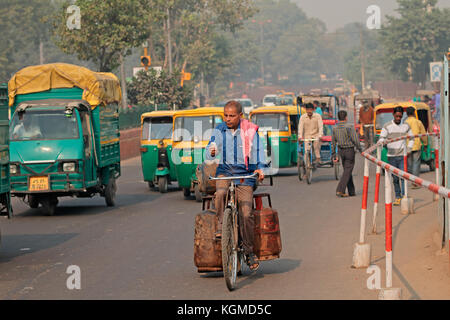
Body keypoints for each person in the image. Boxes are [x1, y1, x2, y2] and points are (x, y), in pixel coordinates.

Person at [206, 100, 266, 271]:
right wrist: (211, 150)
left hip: (244, 176)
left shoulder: (250, 130)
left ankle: (248, 251)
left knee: (246, 214)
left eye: (232, 116)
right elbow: (210, 147)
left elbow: (259, 151)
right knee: (220, 194)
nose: (228, 119)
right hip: (225, 172)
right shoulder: (219, 129)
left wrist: (260, 169)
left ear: (240, 116)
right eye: (225, 115)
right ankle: (220, 225)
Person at [378, 106, 414, 206]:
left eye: (400, 116)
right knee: (395, 179)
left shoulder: (406, 126)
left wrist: (409, 149)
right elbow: (381, 139)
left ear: (402, 116)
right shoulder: (387, 126)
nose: (398, 118)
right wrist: (382, 142)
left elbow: (412, 138)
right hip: (391, 156)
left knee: (403, 177)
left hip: (402, 156)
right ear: (393, 115)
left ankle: (403, 196)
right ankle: (397, 197)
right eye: (397, 116)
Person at [332, 110, 362, 197]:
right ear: (346, 117)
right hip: (349, 150)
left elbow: (333, 142)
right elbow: (355, 139)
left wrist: (334, 153)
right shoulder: (349, 127)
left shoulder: (335, 128)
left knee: (347, 170)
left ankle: (351, 191)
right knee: (348, 170)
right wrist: (360, 149)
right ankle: (340, 189)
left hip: (341, 151)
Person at [405, 106, 427, 188]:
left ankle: (412, 180)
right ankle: (415, 182)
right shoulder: (418, 122)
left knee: (410, 165)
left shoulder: (404, 123)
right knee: (416, 163)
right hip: (416, 145)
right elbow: (423, 134)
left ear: (407, 114)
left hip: (407, 146)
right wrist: (425, 144)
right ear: (414, 113)